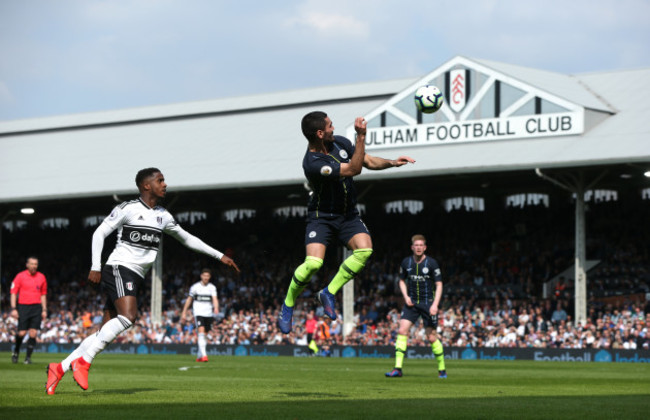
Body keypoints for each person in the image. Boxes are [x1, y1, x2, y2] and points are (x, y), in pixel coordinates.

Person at [46, 167, 240, 395]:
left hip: (135, 276)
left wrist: (220, 255)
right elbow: (98, 233)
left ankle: (59, 368)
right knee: (128, 317)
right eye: (160, 180)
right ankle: (84, 361)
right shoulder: (127, 209)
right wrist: (95, 266)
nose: (165, 184)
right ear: (146, 185)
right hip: (120, 267)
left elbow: (187, 238)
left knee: (103, 332)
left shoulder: (163, 216)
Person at [277, 111, 415, 333]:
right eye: (330, 126)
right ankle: (288, 303)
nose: (334, 128)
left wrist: (392, 162)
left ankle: (328, 292)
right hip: (322, 216)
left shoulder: (339, 142)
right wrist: (361, 136)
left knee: (365, 250)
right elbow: (354, 169)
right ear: (320, 133)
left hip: (348, 214)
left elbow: (367, 160)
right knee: (313, 263)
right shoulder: (313, 163)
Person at [386, 234, 446, 379]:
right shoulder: (406, 262)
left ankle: (442, 369)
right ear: (412, 247)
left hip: (428, 304)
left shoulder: (432, 263)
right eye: (416, 245)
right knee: (402, 330)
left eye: (421, 245)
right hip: (411, 303)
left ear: (425, 247)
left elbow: (439, 284)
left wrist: (435, 305)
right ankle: (397, 369)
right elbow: (401, 281)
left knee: (431, 337)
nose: (418, 248)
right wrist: (406, 297)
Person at [10, 256, 48, 364]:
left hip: (36, 307)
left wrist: (44, 309)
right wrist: (13, 308)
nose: (34, 266)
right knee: (21, 333)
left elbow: (43, 295)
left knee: (33, 333)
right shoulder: (20, 276)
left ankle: (27, 358)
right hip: (23, 306)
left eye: (35, 264)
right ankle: (16, 351)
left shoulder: (41, 277)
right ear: (27, 265)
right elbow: (13, 293)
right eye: (32, 264)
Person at [180, 268, 219, 362]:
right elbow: (189, 299)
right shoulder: (195, 287)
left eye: (208, 276)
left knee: (205, 335)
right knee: (201, 333)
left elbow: (214, 298)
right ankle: (205, 355)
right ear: (201, 276)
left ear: (209, 277)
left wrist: (216, 307)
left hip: (208, 313)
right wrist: (184, 312)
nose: (206, 277)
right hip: (198, 313)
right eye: (204, 275)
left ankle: (199, 356)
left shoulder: (212, 287)